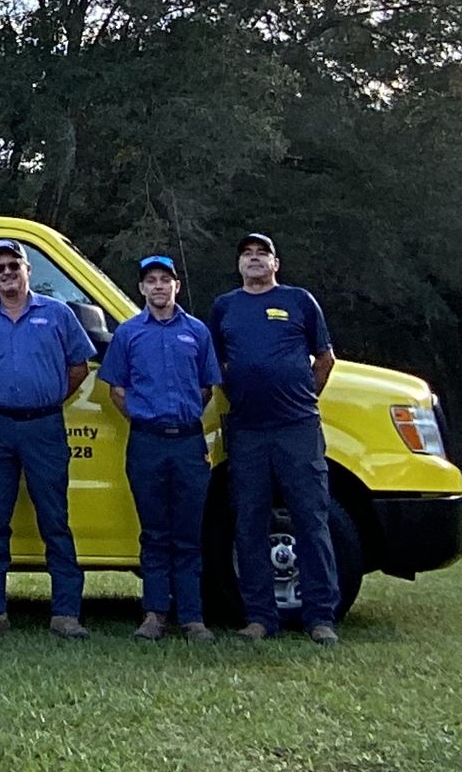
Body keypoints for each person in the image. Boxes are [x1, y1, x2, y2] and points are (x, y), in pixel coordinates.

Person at [0, 237, 96, 640]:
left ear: (27, 270)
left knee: (54, 518)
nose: (7, 273)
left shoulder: (57, 314)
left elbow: (79, 366)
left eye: (13, 266)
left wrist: (48, 397)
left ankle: (66, 613)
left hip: (44, 426)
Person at [207, 231, 340, 645]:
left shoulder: (300, 301)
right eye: (246, 254)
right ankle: (259, 618)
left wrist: (301, 397)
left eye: (262, 254)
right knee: (249, 523)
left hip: (298, 428)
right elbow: (215, 365)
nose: (254, 260)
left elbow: (325, 358)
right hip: (246, 430)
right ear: (239, 265)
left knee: (311, 520)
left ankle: (321, 618)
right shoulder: (224, 307)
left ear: (275, 264)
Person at [99, 255, 222, 643]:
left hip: (187, 442)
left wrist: (182, 417)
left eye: (165, 280)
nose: (158, 286)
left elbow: (207, 387)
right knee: (153, 533)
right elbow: (116, 388)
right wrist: (142, 415)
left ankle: (192, 617)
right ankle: (154, 614)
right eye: (151, 280)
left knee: (188, 533)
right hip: (146, 442)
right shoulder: (128, 334)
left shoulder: (198, 332)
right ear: (141, 288)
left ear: (176, 287)